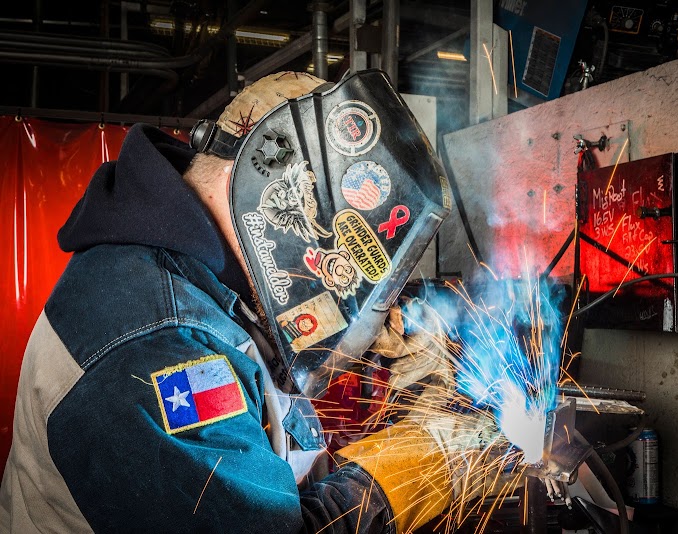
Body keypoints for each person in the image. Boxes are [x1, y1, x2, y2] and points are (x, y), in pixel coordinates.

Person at [0, 72, 513, 533]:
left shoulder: (196, 280)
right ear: (261, 185)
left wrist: (368, 339)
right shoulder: (156, 348)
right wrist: (407, 471)